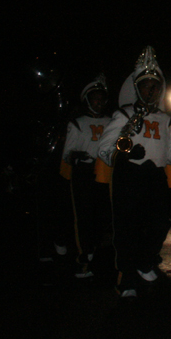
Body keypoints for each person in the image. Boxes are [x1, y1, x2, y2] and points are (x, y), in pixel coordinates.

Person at [97, 46, 171, 299]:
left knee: (160, 223)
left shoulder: (167, 119)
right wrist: (125, 154)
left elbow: (169, 156)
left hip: (155, 177)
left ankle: (145, 261)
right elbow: (104, 148)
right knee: (127, 228)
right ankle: (127, 277)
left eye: (155, 86)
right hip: (129, 176)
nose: (150, 90)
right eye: (145, 85)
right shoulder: (124, 114)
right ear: (137, 88)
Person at [60, 74, 112, 278]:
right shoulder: (77, 123)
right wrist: (75, 155)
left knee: (102, 215)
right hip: (84, 173)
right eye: (95, 98)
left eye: (101, 99)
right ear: (87, 100)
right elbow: (67, 152)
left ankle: (95, 250)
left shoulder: (112, 121)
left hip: (104, 172)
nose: (99, 102)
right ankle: (84, 255)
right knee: (83, 215)